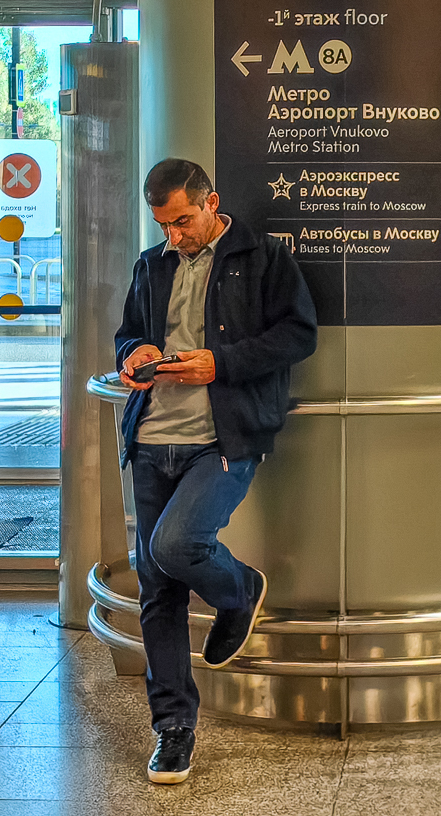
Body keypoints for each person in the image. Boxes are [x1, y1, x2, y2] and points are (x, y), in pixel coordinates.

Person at [114, 158, 318, 785]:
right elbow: (126, 335)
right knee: (158, 589)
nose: (172, 234)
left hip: (221, 439)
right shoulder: (152, 265)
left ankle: (241, 590)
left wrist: (220, 364)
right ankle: (173, 731)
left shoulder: (263, 258)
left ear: (211, 202)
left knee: (176, 546)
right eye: (162, 224)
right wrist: (135, 354)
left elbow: (299, 335)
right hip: (152, 439)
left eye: (181, 221)